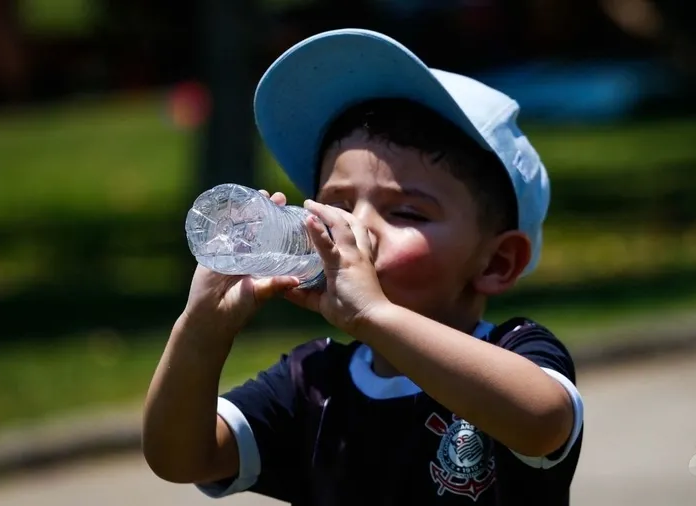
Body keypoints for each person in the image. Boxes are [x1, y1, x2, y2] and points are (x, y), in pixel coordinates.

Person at [142, 28, 584, 505]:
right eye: (336, 204)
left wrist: (372, 314)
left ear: (496, 262)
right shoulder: (311, 381)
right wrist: (201, 331)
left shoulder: (516, 351)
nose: (357, 229)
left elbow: (542, 422)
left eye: (406, 213)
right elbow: (182, 459)